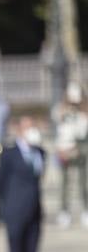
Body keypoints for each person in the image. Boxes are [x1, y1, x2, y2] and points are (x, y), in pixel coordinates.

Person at [0, 116, 46, 252]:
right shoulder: (9, 154)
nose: (32, 130)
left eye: (33, 126)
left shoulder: (41, 152)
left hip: (35, 211)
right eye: (28, 127)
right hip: (15, 211)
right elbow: (0, 183)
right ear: (19, 130)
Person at [52, 80, 88, 228]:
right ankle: (64, 211)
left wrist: (81, 106)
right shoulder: (61, 109)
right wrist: (67, 105)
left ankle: (85, 210)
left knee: (83, 183)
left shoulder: (84, 112)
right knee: (64, 183)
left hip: (80, 148)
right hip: (64, 149)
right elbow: (57, 117)